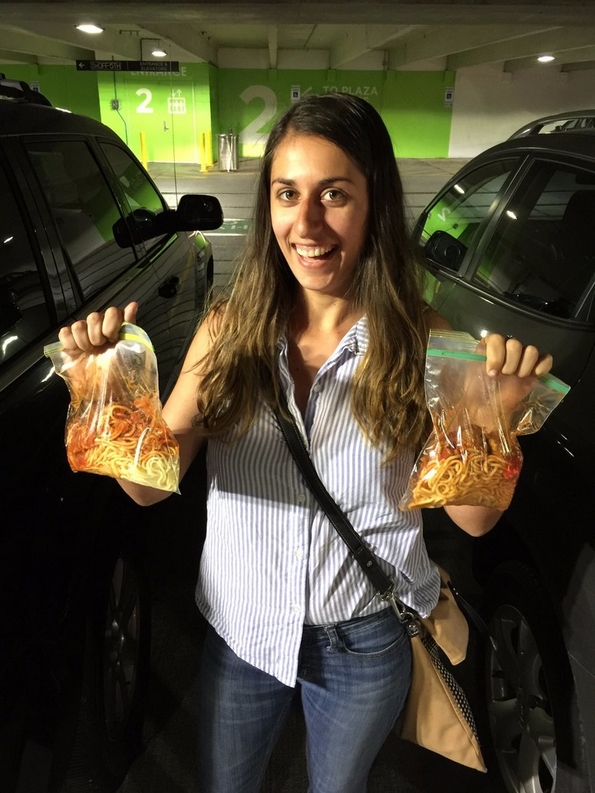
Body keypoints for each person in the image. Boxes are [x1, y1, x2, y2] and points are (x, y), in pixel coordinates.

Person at [58, 93, 553, 793]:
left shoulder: (424, 340)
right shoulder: (228, 331)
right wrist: (106, 388)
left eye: (335, 194)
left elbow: (471, 519)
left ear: (375, 205)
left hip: (365, 638)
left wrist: (490, 417)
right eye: (287, 193)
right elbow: (146, 486)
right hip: (243, 632)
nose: (307, 223)